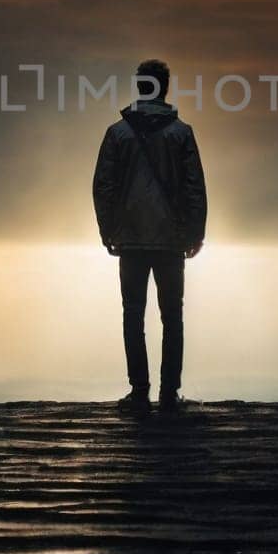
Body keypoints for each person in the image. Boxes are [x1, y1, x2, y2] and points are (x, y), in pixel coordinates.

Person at [91, 58, 207, 416]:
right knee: (172, 316)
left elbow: (103, 187)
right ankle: (170, 393)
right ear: (166, 87)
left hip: (131, 239)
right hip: (171, 240)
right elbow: (194, 188)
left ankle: (139, 391)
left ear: (140, 86)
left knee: (133, 314)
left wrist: (108, 230)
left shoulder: (117, 134)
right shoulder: (181, 133)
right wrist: (195, 233)